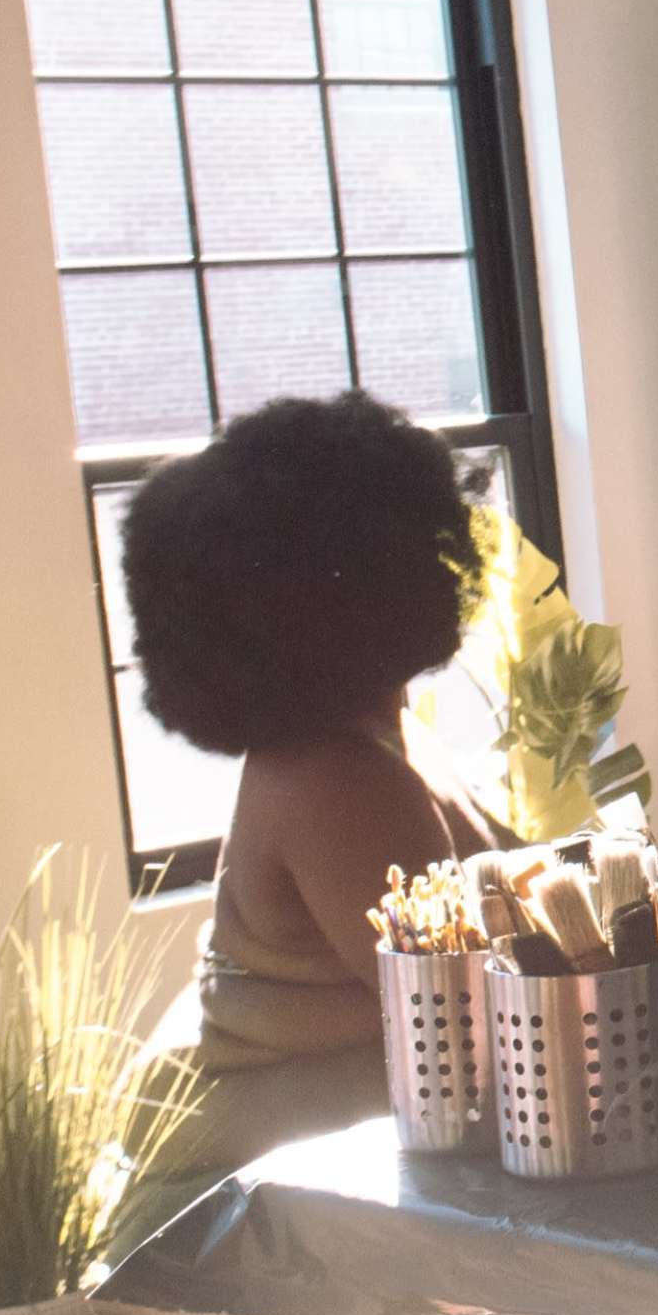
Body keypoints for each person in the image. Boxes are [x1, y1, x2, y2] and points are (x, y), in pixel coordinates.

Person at [120, 394, 510, 1208]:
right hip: (242, 1226)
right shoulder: (334, 779)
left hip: (317, 1167)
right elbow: (474, 1028)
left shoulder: (379, 739)